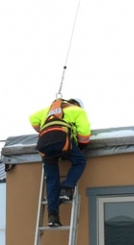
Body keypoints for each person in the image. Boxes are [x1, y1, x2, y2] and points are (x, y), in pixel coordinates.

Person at [29, 97, 91, 227]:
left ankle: (53, 216)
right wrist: (80, 147)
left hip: (44, 145)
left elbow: (32, 118)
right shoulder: (78, 111)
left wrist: (44, 129)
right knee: (79, 161)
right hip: (62, 141)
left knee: (52, 179)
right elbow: (84, 134)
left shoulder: (49, 110)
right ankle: (66, 188)